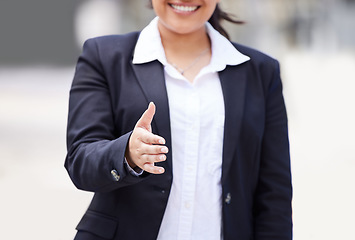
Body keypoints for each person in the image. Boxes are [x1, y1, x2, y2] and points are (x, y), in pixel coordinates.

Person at [65, 0, 293, 239]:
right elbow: (80, 160)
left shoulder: (261, 72)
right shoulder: (104, 57)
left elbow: (274, 192)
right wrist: (127, 153)